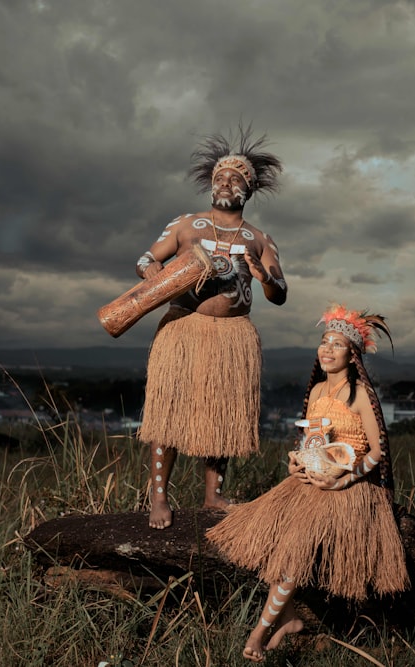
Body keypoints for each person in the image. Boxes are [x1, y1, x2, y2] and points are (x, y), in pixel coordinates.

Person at [206, 304, 409, 662]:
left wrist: (346, 478)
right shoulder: (316, 393)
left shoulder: (360, 395)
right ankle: (290, 620)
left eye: (338, 345)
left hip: (348, 488)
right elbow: (309, 441)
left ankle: (258, 632)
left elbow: (378, 451)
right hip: (309, 482)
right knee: (269, 541)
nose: (328, 350)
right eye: (323, 342)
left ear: (352, 354)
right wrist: (296, 462)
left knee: (293, 552)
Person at [136, 127, 287, 530]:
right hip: (183, 329)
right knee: (167, 414)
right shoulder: (186, 225)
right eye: (220, 177)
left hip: (234, 336)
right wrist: (153, 271)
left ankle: (213, 495)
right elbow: (145, 258)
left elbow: (280, 292)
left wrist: (265, 277)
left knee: (223, 414)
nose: (225, 182)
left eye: (235, 178)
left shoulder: (259, 238)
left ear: (248, 189)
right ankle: (159, 498)